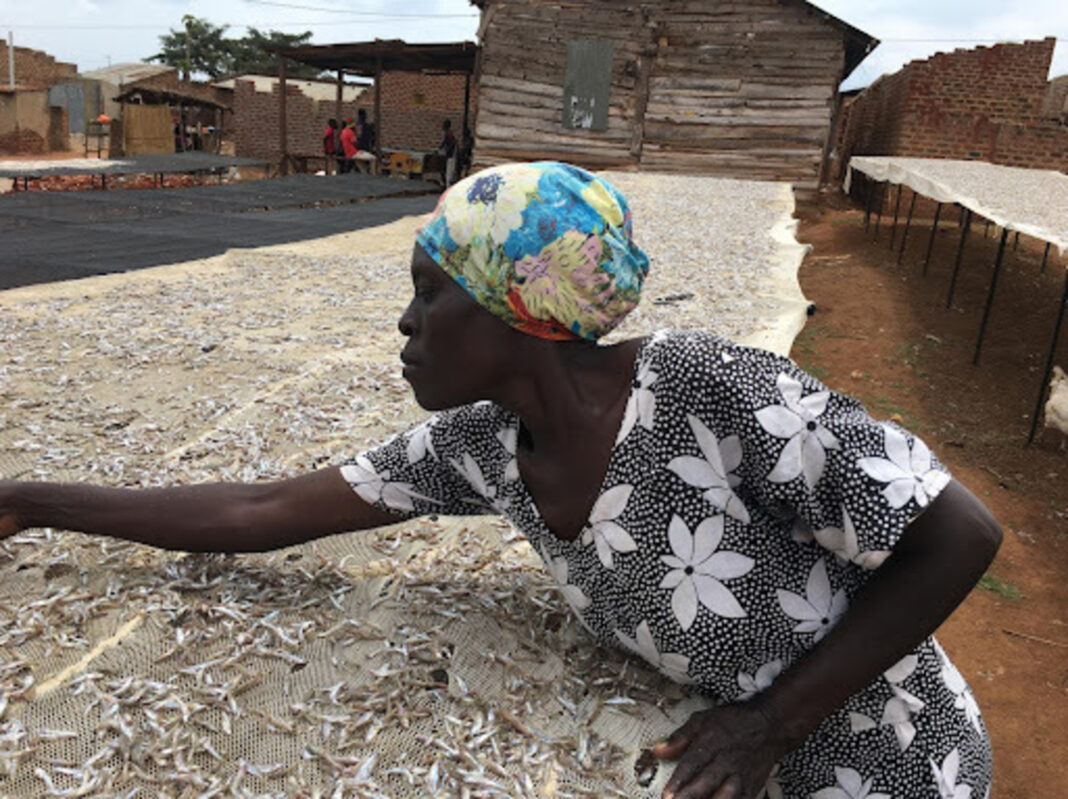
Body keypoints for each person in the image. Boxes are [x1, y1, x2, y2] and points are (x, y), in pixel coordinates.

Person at [0, 162, 999, 799]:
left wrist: (764, 727)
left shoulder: (707, 387)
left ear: (519, 306)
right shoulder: (480, 450)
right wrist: (34, 500)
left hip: (894, 756)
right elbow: (262, 507)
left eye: (429, 293)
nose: (405, 324)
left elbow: (961, 535)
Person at [351, 108, 378, 175]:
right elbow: (371, 137)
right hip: (364, 149)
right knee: (374, 160)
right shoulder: (366, 126)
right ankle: (373, 174)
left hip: (357, 150)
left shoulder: (356, 125)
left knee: (362, 167)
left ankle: (365, 173)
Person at [439, 118, 458, 187]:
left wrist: (447, 149)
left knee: (449, 173)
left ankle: (448, 187)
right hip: (449, 155)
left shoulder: (449, 133)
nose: (442, 126)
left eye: (443, 125)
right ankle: (446, 185)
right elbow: (444, 143)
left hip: (451, 155)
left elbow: (453, 142)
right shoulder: (447, 133)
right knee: (446, 172)